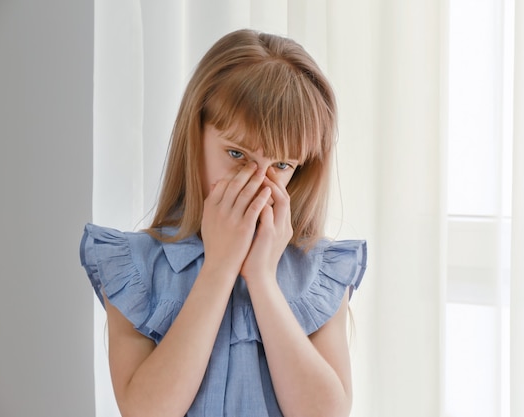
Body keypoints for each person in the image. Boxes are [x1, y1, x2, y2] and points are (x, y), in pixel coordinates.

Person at [80, 29, 367, 417]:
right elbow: (147, 411)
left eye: (281, 165)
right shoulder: (134, 267)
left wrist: (263, 279)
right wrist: (218, 267)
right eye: (237, 153)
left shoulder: (318, 272)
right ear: (194, 137)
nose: (257, 181)